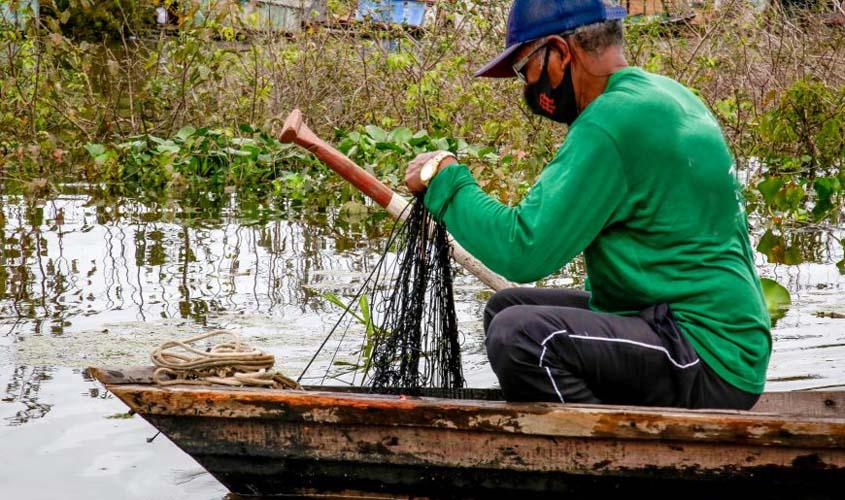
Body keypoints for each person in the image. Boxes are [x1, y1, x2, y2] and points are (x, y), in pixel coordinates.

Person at [404, 0, 771, 410]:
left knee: (522, 336)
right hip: (710, 336)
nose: (528, 86)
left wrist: (447, 180)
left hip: (706, 355)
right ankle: (615, 419)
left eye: (526, 70)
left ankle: (593, 458)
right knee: (507, 306)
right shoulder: (665, 94)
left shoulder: (610, 121)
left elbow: (523, 250)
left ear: (560, 53)